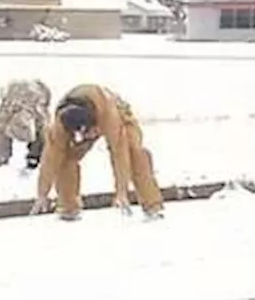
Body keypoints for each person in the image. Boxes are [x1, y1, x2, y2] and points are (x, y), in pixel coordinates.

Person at [30, 84, 164, 221]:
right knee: (65, 157)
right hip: (82, 118)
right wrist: (42, 195)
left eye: (88, 133)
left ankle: (152, 205)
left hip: (118, 115)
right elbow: (50, 159)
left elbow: (119, 153)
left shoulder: (109, 115)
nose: (85, 138)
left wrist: (121, 192)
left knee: (135, 153)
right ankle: (68, 206)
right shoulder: (60, 126)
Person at [0, 78, 52, 170]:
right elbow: (44, 131)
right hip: (24, 99)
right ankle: (34, 157)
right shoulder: (38, 109)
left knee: (2, 131)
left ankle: (32, 157)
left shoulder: (35, 109)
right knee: (40, 131)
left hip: (23, 98)